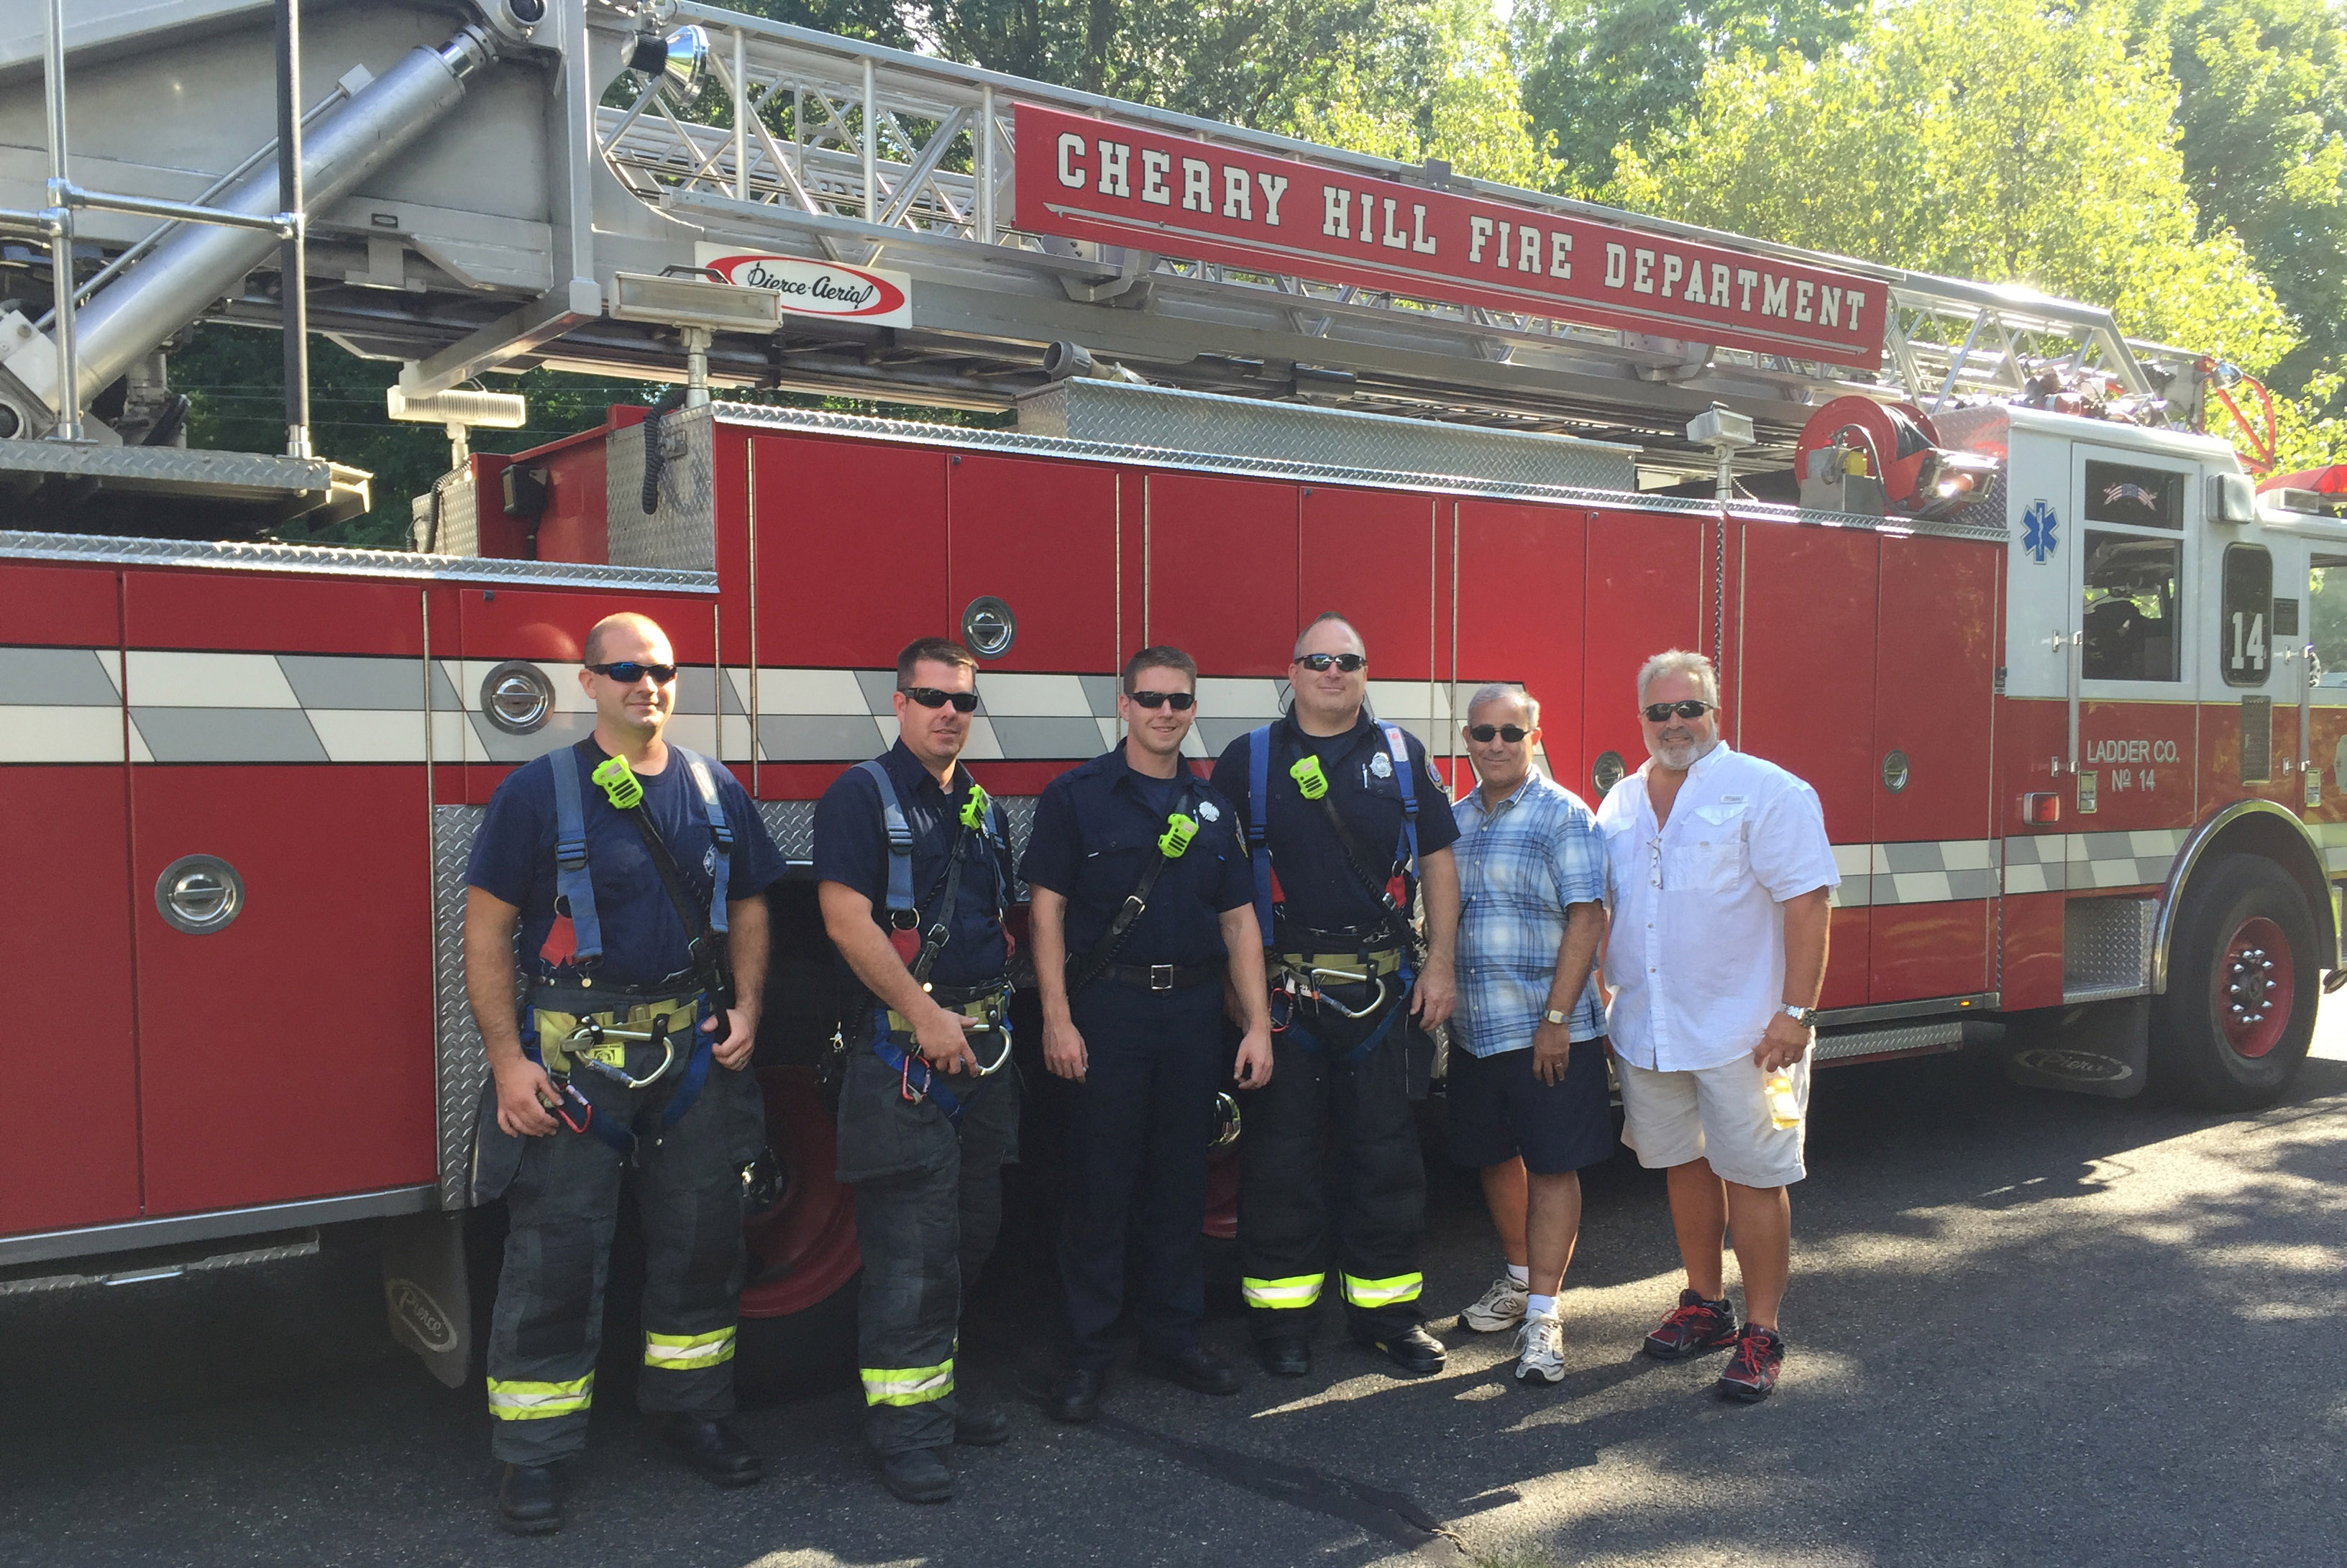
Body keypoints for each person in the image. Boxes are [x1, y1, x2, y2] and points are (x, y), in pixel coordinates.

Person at [464, 612, 786, 1536]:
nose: (648, 684)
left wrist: (751, 1009)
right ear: (590, 686)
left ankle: (694, 1414)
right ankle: (533, 1458)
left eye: (663, 671)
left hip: (691, 1053)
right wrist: (507, 1061)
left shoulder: (713, 787)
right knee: (555, 1252)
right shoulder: (536, 794)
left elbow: (755, 902)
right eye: (626, 670)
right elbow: (487, 930)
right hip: (571, 1063)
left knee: (702, 1240)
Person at [1021, 646, 1278, 1423]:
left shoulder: (1213, 811)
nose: (1167, 713)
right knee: (1098, 1184)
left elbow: (1239, 923)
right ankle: (1087, 1353)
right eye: (1152, 699)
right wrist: (1057, 1018)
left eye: (1180, 701)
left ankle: (1173, 1336)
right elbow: (1046, 913)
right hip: (1109, 1012)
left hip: (1194, 1014)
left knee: (1180, 1182)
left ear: (1193, 710)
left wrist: (1259, 1023)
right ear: (1123, 706)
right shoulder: (1076, 797)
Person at [1209, 612, 1461, 1378]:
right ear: (1291, 674)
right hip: (1286, 1002)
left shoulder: (1399, 755)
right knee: (1283, 1167)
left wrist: (1441, 964)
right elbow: (1218, 892)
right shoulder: (1247, 762)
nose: (1333, 671)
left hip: (1384, 997)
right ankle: (1282, 1325)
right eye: (1317, 660)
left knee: (1387, 1163)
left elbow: (1441, 867)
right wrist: (1244, 999)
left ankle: (1387, 1318)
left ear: (1363, 673)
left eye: (1348, 660)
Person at [1594, 648, 1836, 1403]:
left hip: (1752, 1038)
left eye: (1688, 708)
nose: (1674, 724)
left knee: (1758, 1177)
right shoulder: (1621, 803)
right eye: (1659, 712)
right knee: (1684, 1166)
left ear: (1715, 712)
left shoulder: (1768, 791)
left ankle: (1762, 1331)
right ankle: (1706, 1305)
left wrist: (1796, 1013)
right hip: (1651, 1031)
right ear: (1640, 720)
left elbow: (1808, 902)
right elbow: (1609, 910)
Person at [814, 637, 1020, 1504]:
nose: (949, 713)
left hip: (983, 1053)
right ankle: (904, 1431)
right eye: (932, 697)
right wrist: (929, 1018)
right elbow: (844, 919)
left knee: (971, 1235)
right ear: (898, 703)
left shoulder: (982, 807)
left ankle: (934, 1392)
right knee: (911, 1253)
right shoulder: (860, 797)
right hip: (906, 1056)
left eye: (964, 702)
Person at [1445, 683, 1611, 1386]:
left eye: (1512, 733)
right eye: (1484, 734)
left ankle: (1544, 1314)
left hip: (1548, 1031)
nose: (1497, 746)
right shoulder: (1454, 821)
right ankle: (1518, 1279)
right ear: (1468, 741)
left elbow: (1588, 916)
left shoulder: (1563, 815)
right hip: (1476, 1033)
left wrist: (1557, 1020)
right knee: (1494, 1156)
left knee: (1551, 1165)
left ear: (1535, 739)